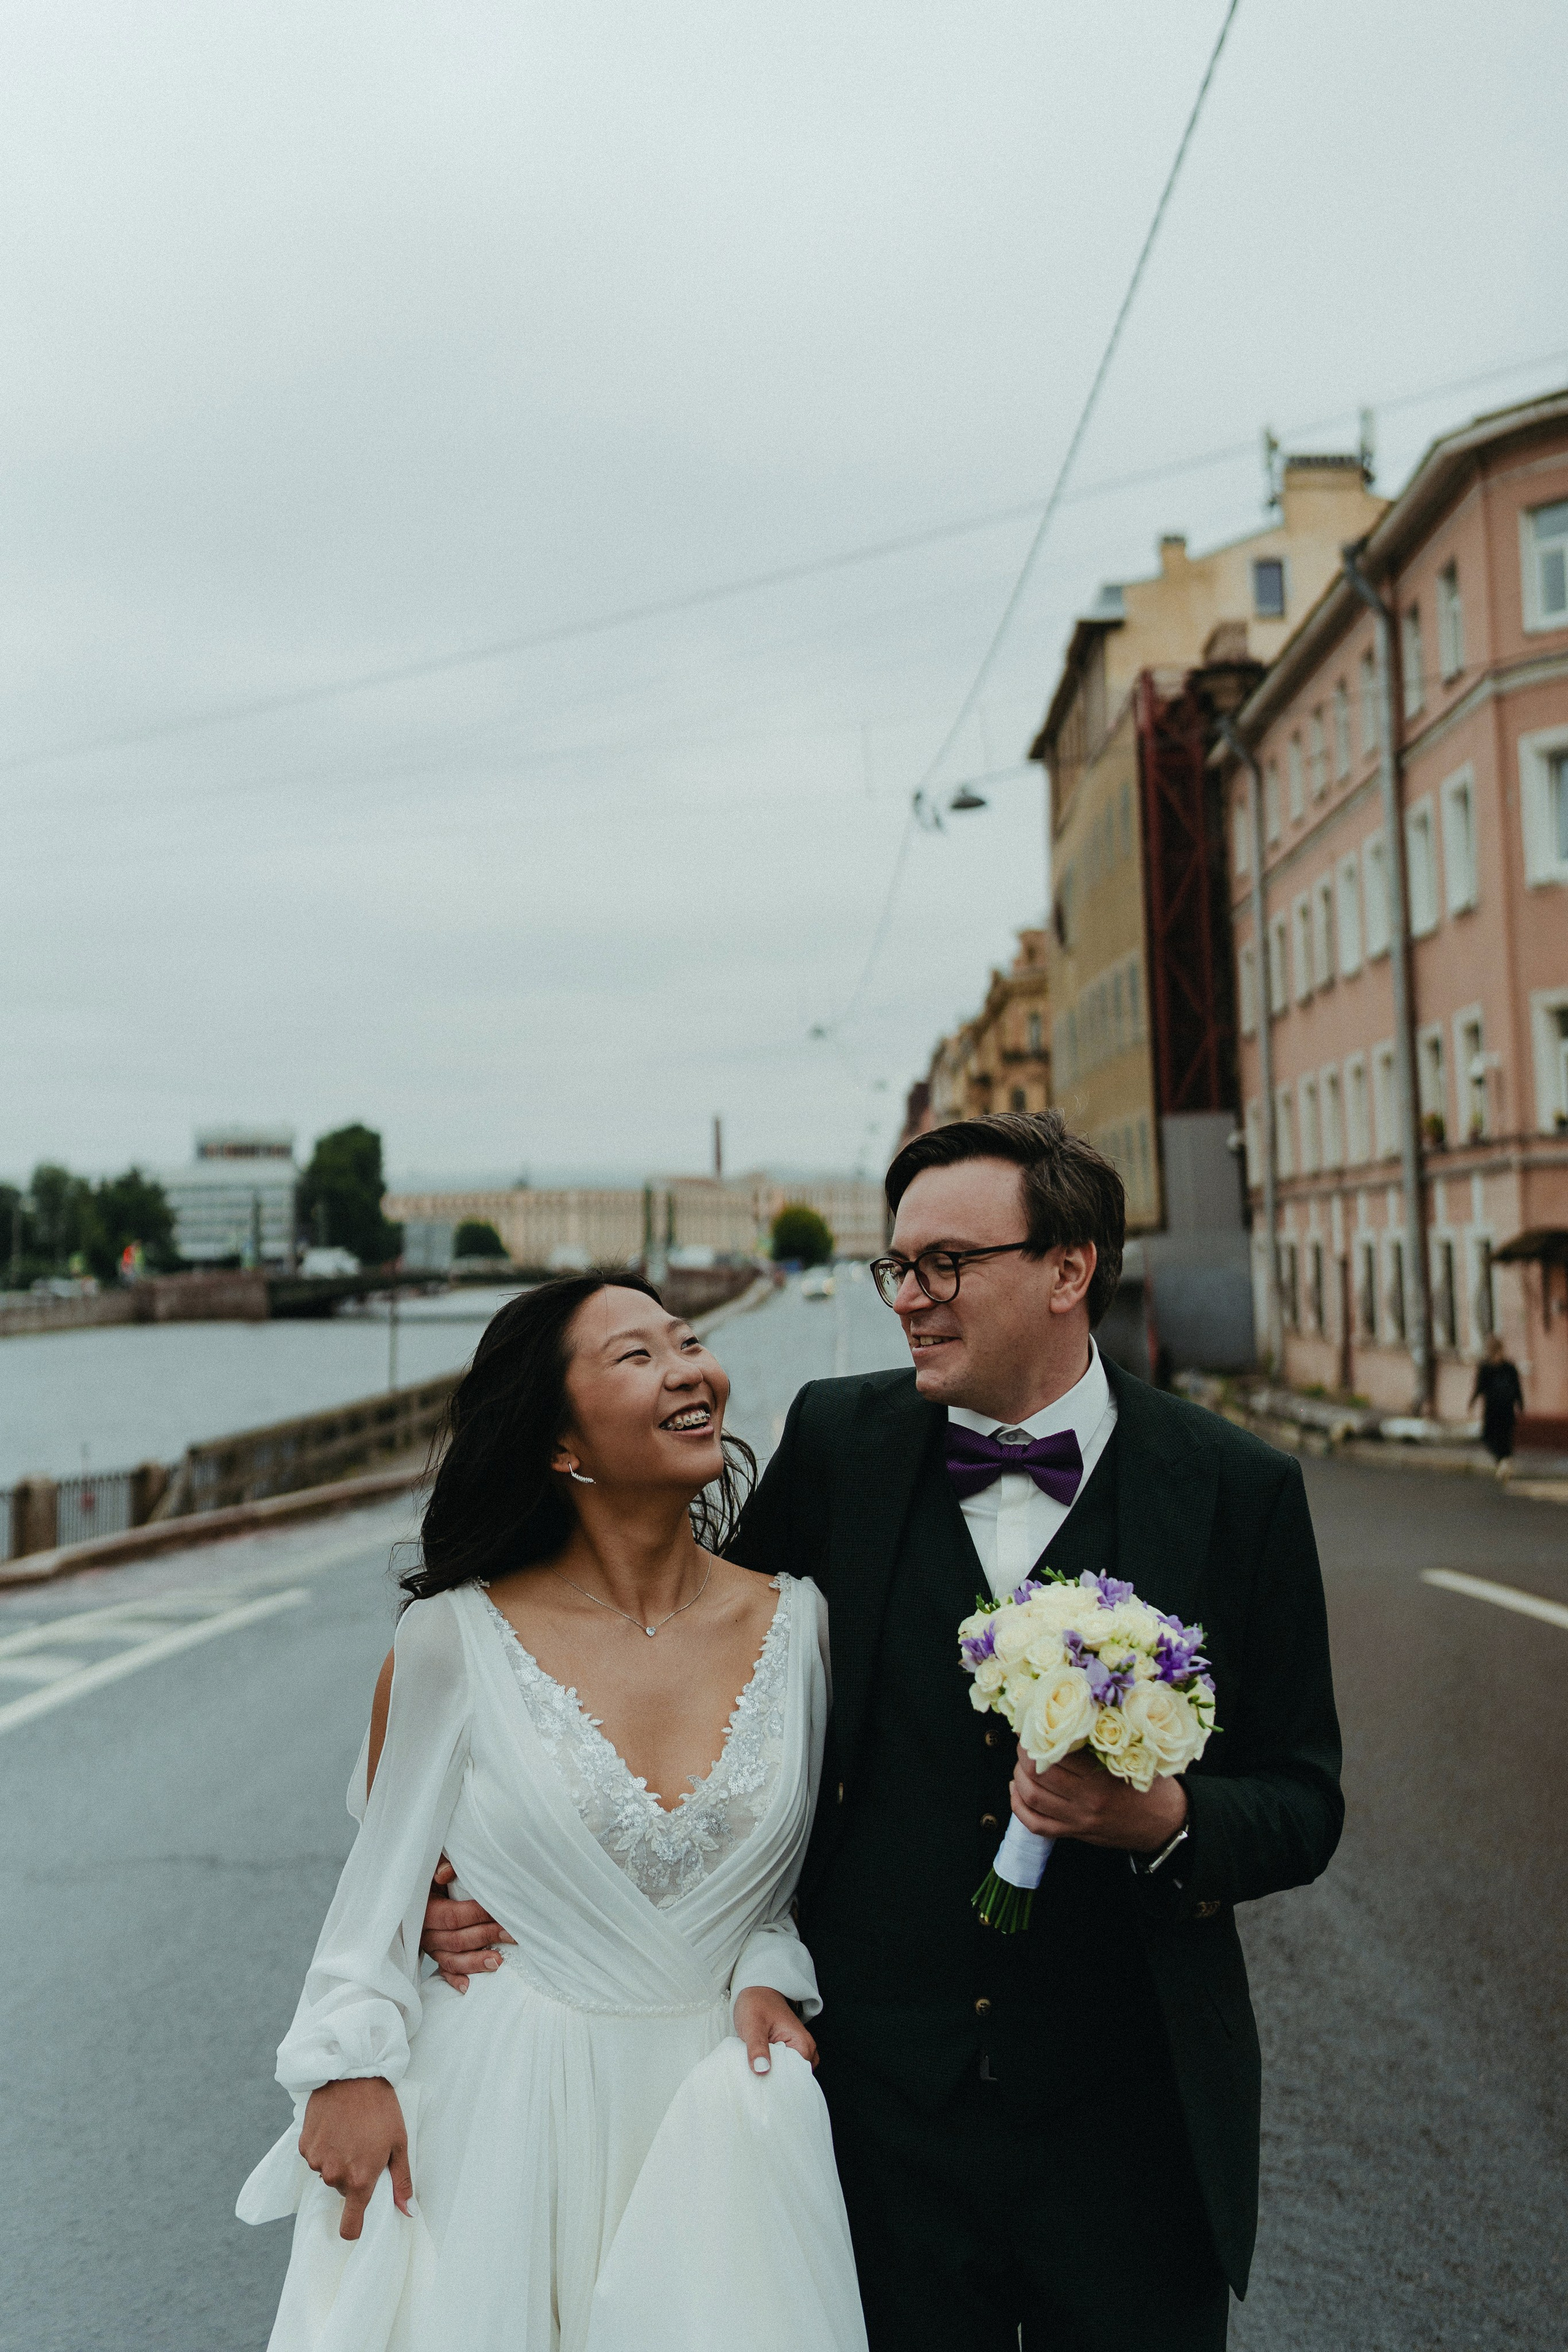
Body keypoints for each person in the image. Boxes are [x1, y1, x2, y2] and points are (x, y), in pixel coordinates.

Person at [426, 1112, 1344, 2350]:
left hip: (1130, 2127)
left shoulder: (1236, 1491)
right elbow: (683, 1691)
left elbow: (1300, 1796)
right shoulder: (839, 1444)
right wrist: (481, 1869)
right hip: (872, 2116)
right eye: (895, 1267)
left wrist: (1164, 1819)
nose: (907, 1298)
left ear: (1067, 1269)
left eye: (943, 1266)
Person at [238, 1272, 867, 2352]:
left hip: (723, 2126)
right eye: (637, 1358)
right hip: (504, 2124)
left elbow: (827, 1881)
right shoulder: (451, 1645)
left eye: (689, 1342)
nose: (690, 1371)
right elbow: (377, 1901)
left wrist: (772, 1966)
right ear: (560, 1445)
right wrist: (347, 2068)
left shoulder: (805, 1630)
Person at [1471, 1333, 1525, 1476]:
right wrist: (1472, 1402)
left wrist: (1521, 1404)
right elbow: (1480, 1387)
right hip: (1499, 1409)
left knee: (1498, 1437)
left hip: (1500, 1409)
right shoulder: (1496, 1368)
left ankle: (1503, 1462)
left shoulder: (1500, 1368)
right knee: (1496, 1437)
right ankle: (1504, 1462)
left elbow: (1516, 1387)